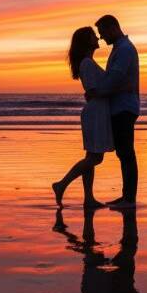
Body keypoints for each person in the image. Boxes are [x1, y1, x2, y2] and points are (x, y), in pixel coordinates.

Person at [52, 27, 114, 209]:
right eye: (93, 35)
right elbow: (93, 90)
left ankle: (89, 198)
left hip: (97, 111)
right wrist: (116, 90)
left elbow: (93, 90)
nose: (98, 37)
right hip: (95, 113)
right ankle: (61, 184)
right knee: (95, 158)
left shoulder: (88, 62)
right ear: (86, 41)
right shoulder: (86, 63)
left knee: (91, 156)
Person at [87, 15, 139, 210]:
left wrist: (96, 93)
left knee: (126, 153)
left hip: (124, 107)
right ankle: (127, 196)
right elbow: (114, 78)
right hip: (121, 106)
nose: (102, 38)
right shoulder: (120, 48)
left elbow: (115, 79)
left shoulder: (124, 49)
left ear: (113, 28)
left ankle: (129, 199)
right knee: (124, 153)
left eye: (103, 33)